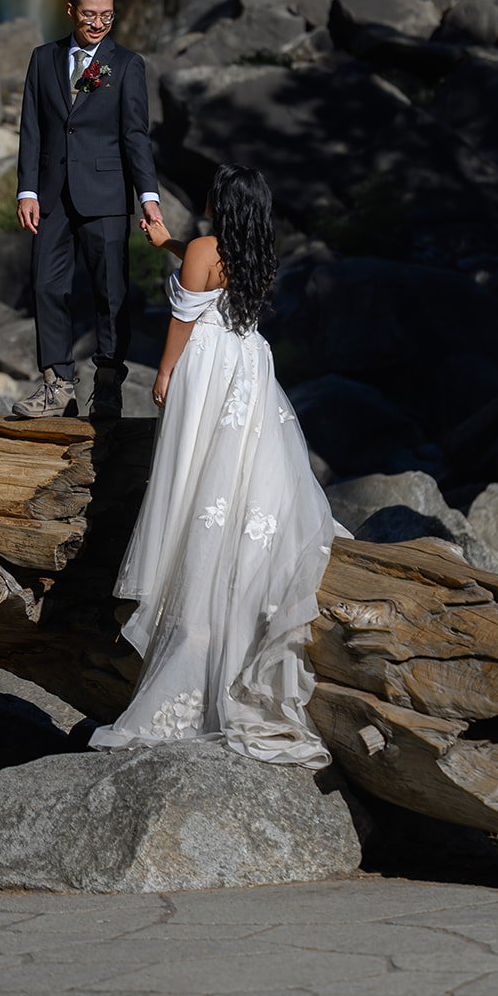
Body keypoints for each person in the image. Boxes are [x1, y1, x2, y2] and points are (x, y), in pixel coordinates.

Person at [89, 164, 347, 766]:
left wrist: (164, 370)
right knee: (236, 473)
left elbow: (184, 317)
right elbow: (207, 262)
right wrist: (169, 243)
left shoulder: (205, 248)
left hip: (206, 367)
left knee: (189, 474)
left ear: (222, 202)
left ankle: (181, 605)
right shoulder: (253, 250)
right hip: (248, 367)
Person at [14, 0, 164, 420]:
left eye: (107, 15)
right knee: (45, 285)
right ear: (70, 11)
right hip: (52, 194)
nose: (98, 24)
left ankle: (109, 384)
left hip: (107, 194)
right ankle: (57, 385)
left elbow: (136, 136)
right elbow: (32, 130)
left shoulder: (127, 64)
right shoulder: (43, 60)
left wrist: (148, 197)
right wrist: (27, 190)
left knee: (110, 292)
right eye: (89, 15)